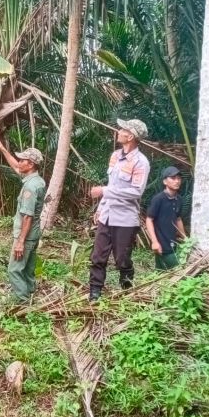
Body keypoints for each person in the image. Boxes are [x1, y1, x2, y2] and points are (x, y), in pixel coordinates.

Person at [89, 119, 151, 300]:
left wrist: (104, 191)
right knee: (98, 256)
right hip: (107, 215)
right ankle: (94, 293)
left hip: (125, 218)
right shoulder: (115, 156)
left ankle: (127, 288)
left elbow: (136, 192)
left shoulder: (141, 162)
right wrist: (100, 208)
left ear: (130, 136)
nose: (118, 131)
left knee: (122, 259)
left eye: (122, 129)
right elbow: (112, 184)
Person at [0, 136, 47, 302]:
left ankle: (22, 302)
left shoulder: (30, 187)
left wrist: (20, 242)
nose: (19, 162)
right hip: (33, 234)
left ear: (31, 164)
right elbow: (15, 166)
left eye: (23, 160)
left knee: (14, 270)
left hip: (26, 236)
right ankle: (30, 295)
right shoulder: (36, 180)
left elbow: (27, 216)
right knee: (28, 269)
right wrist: (2, 148)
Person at [146, 166, 187, 270]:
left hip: (173, 243)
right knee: (179, 270)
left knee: (161, 273)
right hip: (161, 244)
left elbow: (178, 219)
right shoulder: (158, 199)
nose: (177, 181)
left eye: (179, 178)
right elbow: (149, 219)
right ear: (165, 181)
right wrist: (154, 242)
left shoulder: (179, 199)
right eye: (173, 178)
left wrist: (185, 239)